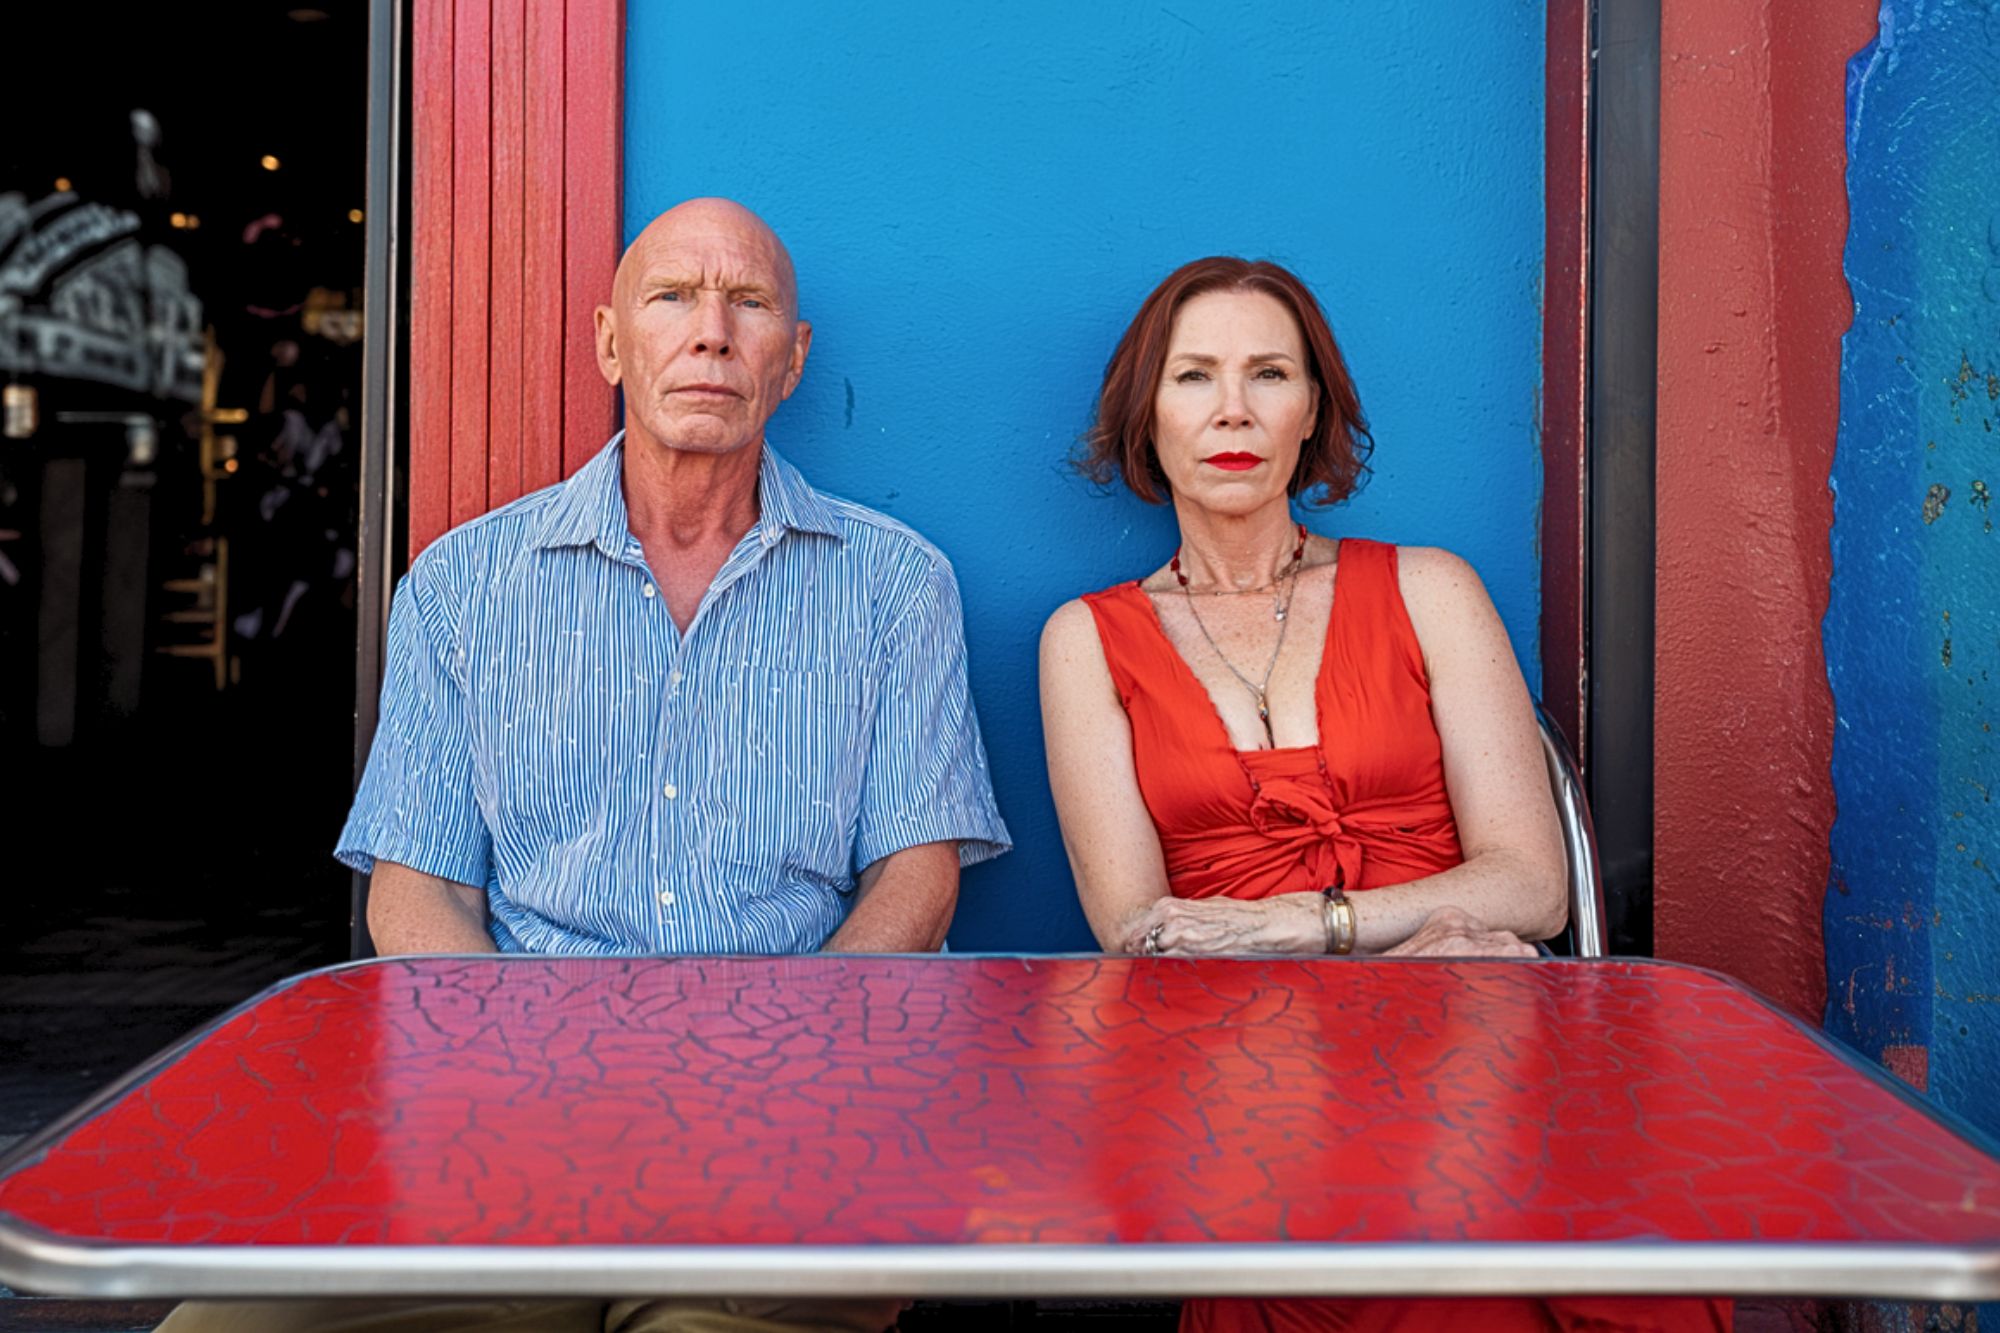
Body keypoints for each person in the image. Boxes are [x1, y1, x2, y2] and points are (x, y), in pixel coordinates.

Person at [157, 197, 1010, 1333]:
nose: (710, 330)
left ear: (792, 359)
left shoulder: (897, 585)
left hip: (791, 1133)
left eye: (747, 302)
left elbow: (916, 881)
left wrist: (772, 1069)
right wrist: (530, 1079)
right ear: (612, 341)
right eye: (670, 297)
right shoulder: (464, 583)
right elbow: (416, 888)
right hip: (506, 1129)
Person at [1038, 256, 1727, 1333]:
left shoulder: (1429, 590)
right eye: (1192, 377)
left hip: (1476, 1020)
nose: (1231, 410)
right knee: (1412, 1265)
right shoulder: (1086, 641)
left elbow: (1533, 886)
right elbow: (1140, 932)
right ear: (1146, 410)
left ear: (1311, 410)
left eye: (1268, 374)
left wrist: (1305, 927)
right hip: (1245, 1063)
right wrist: (1355, 962)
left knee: (1597, 1255)